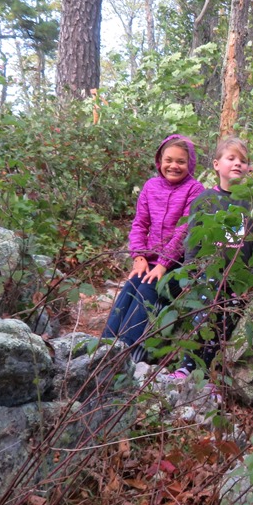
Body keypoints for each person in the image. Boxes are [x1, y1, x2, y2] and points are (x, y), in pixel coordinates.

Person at [102, 134, 204, 361]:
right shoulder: (151, 186)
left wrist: (164, 264)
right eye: (169, 160)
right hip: (148, 259)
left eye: (181, 161)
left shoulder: (195, 190)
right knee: (131, 286)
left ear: (190, 164)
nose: (174, 166)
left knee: (147, 290)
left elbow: (184, 230)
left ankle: (127, 354)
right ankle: (105, 345)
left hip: (176, 263)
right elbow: (140, 223)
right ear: (160, 161)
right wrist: (138, 256)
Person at [168, 136, 253, 381]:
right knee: (204, 312)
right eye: (231, 158)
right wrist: (191, 272)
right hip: (207, 274)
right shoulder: (204, 200)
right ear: (216, 164)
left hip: (236, 277)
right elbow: (193, 239)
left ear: (249, 168)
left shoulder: (249, 203)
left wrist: (249, 280)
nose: (237, 164)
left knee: (225, 320)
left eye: (243, 161)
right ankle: (187, 365)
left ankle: (207, 374)